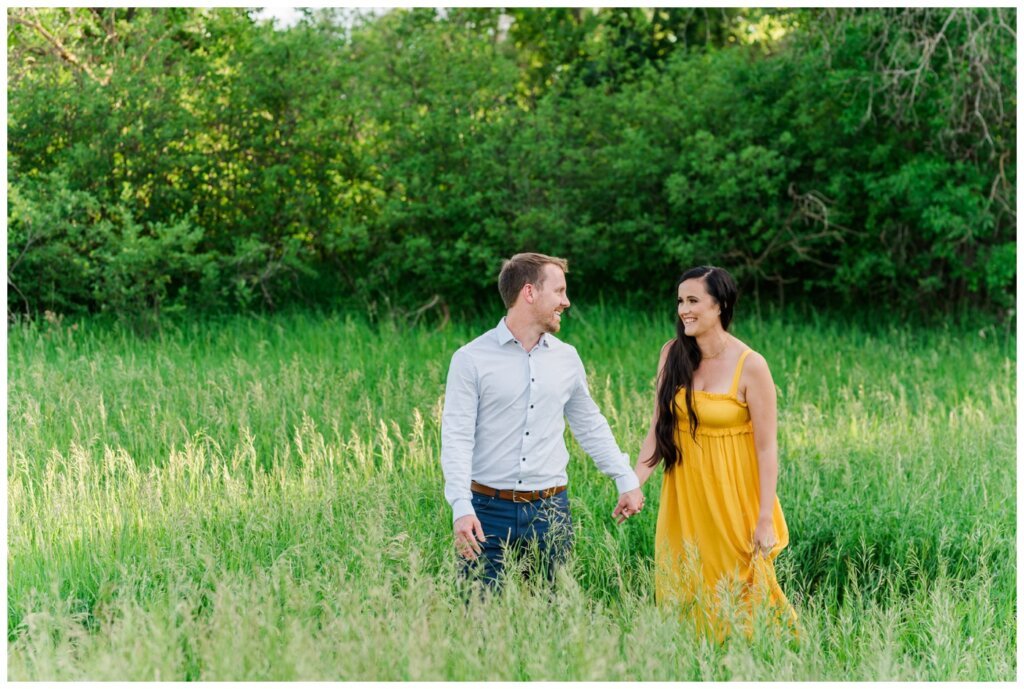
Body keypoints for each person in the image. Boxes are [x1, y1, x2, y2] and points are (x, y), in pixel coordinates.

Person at [440, 252, 645, 585]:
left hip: (550, 511)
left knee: (553, 618)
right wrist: (461, 507)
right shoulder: (470, 359)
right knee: (478, 620)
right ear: (529, 292)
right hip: (486, 512)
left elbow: (589, 423)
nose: (566, 302)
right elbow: (457, 437)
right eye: (559, 291)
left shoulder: (566, 358)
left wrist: (625, 478)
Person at [626, 265, 796, 635]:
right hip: (684, 496)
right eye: (680, 301)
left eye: (693, 301)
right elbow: (657, 428)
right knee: (684, 583)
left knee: (741, 591)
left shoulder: (751, 365)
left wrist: (764, 518)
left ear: (719, 306)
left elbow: (767, 450)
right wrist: (634, 483)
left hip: (732, 497)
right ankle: (691, 663)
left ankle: (765, 661)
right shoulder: (672, 354)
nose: (683, 310)